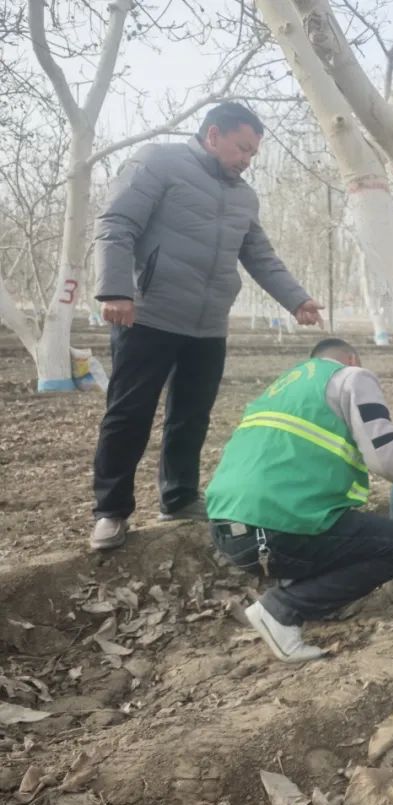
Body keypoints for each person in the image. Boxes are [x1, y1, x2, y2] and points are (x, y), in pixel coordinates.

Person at [89, 103, 325, 552]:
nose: (246, 160)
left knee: (192, 416)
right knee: (129, 414)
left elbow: (259, 255)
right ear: (213, 134)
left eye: (253, 154)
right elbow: (116, 222)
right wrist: (116, 290)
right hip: (149, 315)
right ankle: (110, 511)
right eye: (242, 148)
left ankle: (177, 498)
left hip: (208, 324)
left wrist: (297, 299)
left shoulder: (244, 196)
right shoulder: (157, 162)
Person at [205, 338, 393, 663]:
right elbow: (385, 457)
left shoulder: (283, 388)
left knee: (341, 525)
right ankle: (283, 609)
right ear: (351, 358)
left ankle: (299, 592)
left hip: (229, 531)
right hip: (274, 529)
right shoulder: (353, 377)